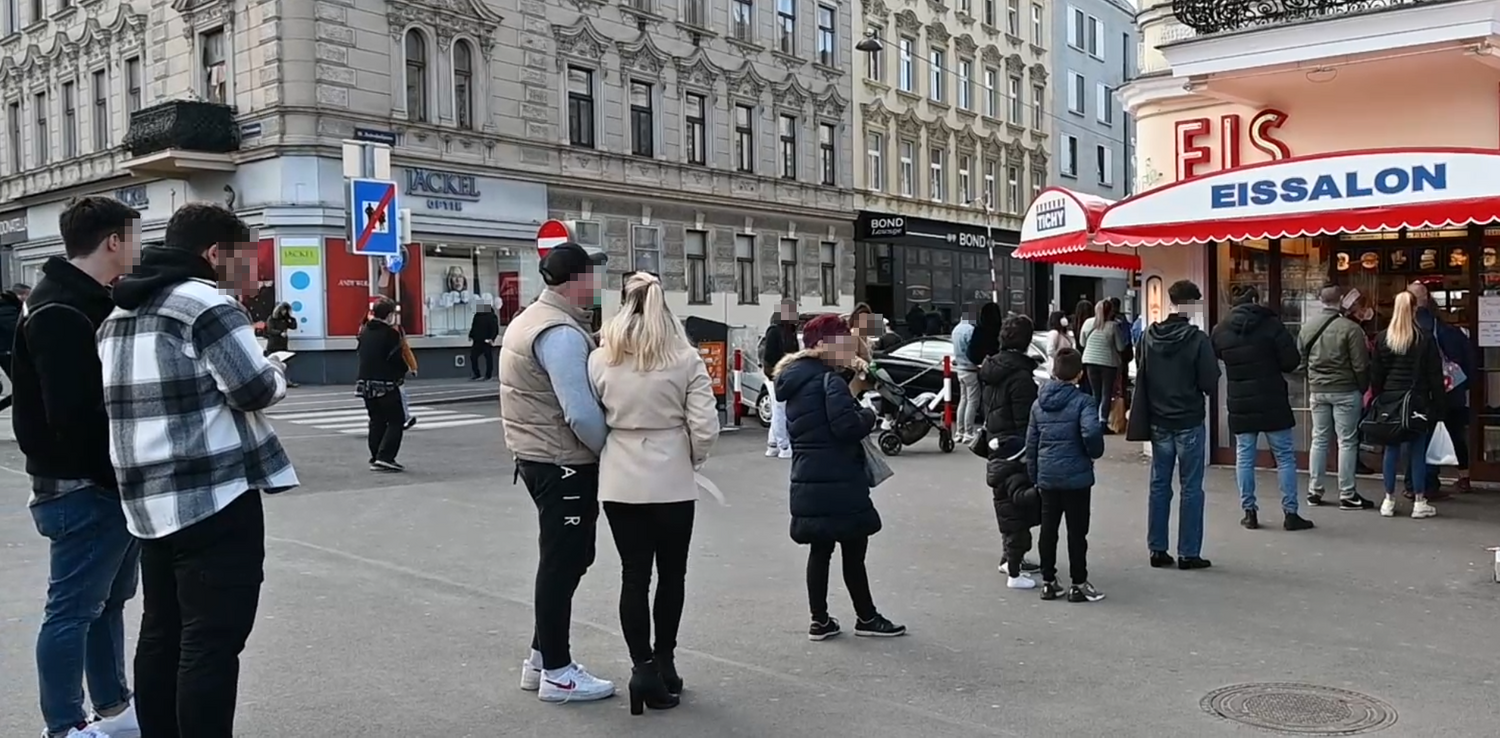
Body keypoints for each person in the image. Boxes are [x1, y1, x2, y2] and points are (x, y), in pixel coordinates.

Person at [97, 203, 297, 738]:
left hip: (146, 502)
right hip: (213, 497)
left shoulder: (118, 315)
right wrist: (275, 368)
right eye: (245, 257)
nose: (252, 268)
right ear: (214, 254)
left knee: (161, 633)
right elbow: (253, 390)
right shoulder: (206, 305)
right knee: (211, 642)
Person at [14, 198, 142, 738]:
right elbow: (72, 417)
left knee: (106, 602)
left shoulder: (83, 300)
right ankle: (64, 725)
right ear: (113, 241)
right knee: (72, 609)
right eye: (135, 238)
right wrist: (115, 476)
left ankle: (112, 706)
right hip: (82, 484)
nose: (138, 249)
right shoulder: (61, 309)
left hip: (95, 482)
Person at [588, 272, 719, 715]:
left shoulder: (602, 357)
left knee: (633, 576)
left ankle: (641, 667)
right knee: (672, 575)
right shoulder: (684, 358)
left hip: (620, 475)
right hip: (671, 476)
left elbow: (590, 416)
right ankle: (665, 661)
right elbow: (705, 426)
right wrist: (691, 457)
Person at [499, 241, 615, 703]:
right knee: (562, 563)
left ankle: (541, 659)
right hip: (562, 461)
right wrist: (611, 452)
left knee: (569, 557)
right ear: (578, 281)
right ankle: (558, 673)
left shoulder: (532, 318)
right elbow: (580, 413)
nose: (598, 287)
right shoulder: (560, 333)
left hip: (539, 457)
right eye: (593, 278)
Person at [774, 314, 905, 641]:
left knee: (820, 551)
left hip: (808, 477)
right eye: (842, 341)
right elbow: (846, 427)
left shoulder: (796, 381)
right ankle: (867, 617)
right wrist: (869, 414)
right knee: (853, 549)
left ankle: (819, 620)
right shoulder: (828, 381)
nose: (848, 346)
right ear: (822, 345)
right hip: (839, 478)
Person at [1130, 279, 1219, 570]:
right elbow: (1209, 381)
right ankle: (1188, 552)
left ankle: (1157, 548)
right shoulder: (1198, 339)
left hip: (1158, 419)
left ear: (1171, 302)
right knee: (1191, 487)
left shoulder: (1148, 335)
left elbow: (1140, 367)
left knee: (1159, 484)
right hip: (1189, 419)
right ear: (1192, 305)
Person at [1211, 284, 1314, 531]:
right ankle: (1291, 513)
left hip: (1240, 401)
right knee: (1285, 457)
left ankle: (1249, 512)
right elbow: (1291, 361)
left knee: (1244, 457)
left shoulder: (1221, 329)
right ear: (1256, 299)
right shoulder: (1271, 325)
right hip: (1272, 399)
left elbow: (1218, 354)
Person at [1026, 347, 1106, 602]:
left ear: (1054, 372)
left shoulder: (1038, 404)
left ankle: (1048, 582)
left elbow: (1031, 443)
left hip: (1048, 476)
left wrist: (1035, 476)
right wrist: (1094, 453)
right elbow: (1091, 433)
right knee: (1077, 531)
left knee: (1048, 530)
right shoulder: (1084, 402)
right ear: (1079, 374)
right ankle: (1078, 583)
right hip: (1076, 476)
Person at [1370, 290, 1447, 519]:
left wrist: (1378, 400)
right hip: (1417, 400)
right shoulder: (1424, 338)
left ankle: (1388, 499)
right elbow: (1434, 375)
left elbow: (1376, 375)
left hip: (1390, 400)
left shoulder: (1383, 338)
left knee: (1391, 450)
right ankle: (1419, 501)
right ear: (1414, 310)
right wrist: (1439, 405)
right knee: (1417, 451)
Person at [1299, 284, 1374, 510]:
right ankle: (1347, 493)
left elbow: (1301, 360)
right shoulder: (1351, 329)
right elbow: (1361, 365)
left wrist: (1313, 379)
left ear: (1321, 300)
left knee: (1319, 439)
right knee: (1347, 441)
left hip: (1318, 390)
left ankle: (1314, 490)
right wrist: (1361, 388)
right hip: (1346, 390)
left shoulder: (1308, 327)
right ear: (1341, 300)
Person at [979, 314, 1041, 586]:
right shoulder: (1021, 377)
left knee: (1004, 502)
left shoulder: (991, 369)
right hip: (1016, 447)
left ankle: (1010, 556)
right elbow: (1026, 420)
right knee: (1018, 503)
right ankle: (1013, 561)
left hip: (995, 441)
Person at [1406, 282, 1473, 499]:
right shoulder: (1451, 331)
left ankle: (1416, 483)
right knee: (1455, 434)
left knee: (1419, 438)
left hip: (1420, 393)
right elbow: (1469, 362)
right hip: (1452, 391)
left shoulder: (1406, 330)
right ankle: (1463, 477)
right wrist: (1464, 385)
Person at [356, 298, 411, 471]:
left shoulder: (364, 331)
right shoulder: (390, 334)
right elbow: (396, 358)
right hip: (385, 382)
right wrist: (404, 370)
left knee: (376, 420)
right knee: (396, 420)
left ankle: (376, 455)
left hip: (365, 382)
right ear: (389, 315)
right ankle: (386, 457)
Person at [1079, 300, 1126, 428]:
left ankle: (1093, 420)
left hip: (1090, 361)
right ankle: (1103, 422)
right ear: (1110, 311)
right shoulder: (1113, 326)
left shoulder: (1088, 323)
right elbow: (1120, 347)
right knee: (1106, 393)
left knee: (1095, 393)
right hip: (1108, 363)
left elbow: (1082, 343)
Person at [761, 299, 798, 459]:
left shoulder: (790, 331)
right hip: (776, 375)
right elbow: (769, 356)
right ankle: (784, 445)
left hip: (786, 374)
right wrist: (775, 374)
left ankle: (773, 445)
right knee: (780, 410)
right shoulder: (775, 331)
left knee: (779, 409)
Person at [950, 304, 979, 444]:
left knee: (963, 400)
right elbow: (973, 350)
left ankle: (959, 432)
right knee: (972, 401)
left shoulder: (956, 329)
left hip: (960, 368)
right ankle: (969, 432)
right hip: (970, 369)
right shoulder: (970, 330)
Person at [0, 282, 30, 411]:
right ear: (21, 295)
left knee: (23, 389)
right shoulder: (6, 309)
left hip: (8, 351)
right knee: (23, 388)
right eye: (28, 296)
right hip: (7, 352)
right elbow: (16, 329)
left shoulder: (11, 307)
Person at [468, 302, 500, 380]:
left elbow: (494, 328)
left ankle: (487, 375)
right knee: (474, 357)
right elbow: (474, 326)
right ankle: (478, 374)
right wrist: (471, 335)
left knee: (487, 357)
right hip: (478, 339)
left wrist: (492, 338)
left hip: (486, 340)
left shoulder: (491, 316)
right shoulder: (478, 315)